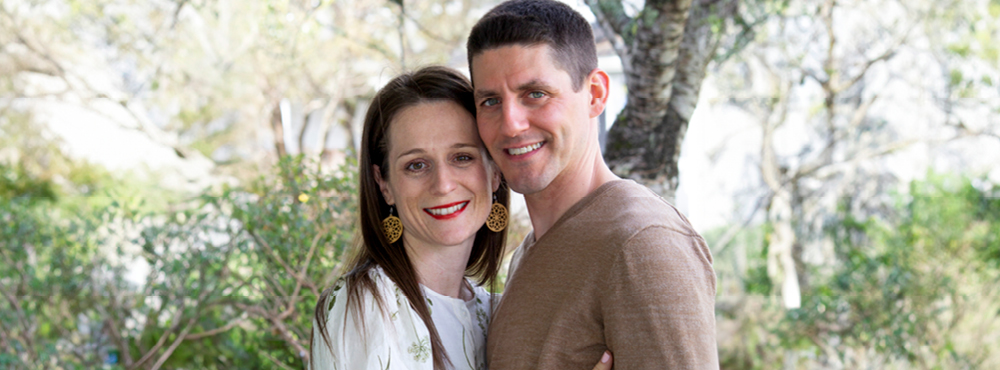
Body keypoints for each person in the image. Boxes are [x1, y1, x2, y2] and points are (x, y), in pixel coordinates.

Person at [466, 1, 719, 369]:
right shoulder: (528, 253)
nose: (511, 124)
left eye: (535, 94)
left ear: (596, 94)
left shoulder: (643, 243)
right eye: (490, 101)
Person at [310, 66, 614, 370]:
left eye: (462, 157)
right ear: (384, 184)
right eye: (416, 165)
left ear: (495, 171)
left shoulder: (493, 313)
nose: (443, 184)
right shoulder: (366, 305)